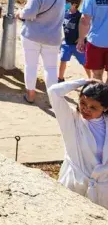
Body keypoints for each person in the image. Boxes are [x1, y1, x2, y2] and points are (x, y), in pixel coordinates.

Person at [47, 79, 108, 207]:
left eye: (93, 107)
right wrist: (84, 82)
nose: (86, 109)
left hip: (103, 189)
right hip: (74, 184)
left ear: (105, 108)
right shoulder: (71, 119)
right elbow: (54, 91)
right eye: (83, 103)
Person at [18, 0, 65, 104]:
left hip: (32, 35)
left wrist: (19, 13)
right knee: (51, 69)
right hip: (53, 37)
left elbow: (29, 13)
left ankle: (31, 95)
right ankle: (53, 99)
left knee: (30, 65)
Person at [79, 0, 108, 82]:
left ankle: (98, 99)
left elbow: (84, 20)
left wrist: (81, 40)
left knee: (96, 76)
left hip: (96, 41)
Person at [59, 0, 88, 82]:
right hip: (66, 43)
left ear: (74, 4)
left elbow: (86, 26)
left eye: (67, 2)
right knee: (63, 60)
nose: (65, 4)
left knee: (85, 63)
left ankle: (91, 79)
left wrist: (81, 38)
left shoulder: (79, 16)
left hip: (77, 45)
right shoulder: (65, 13)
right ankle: (60, 78)